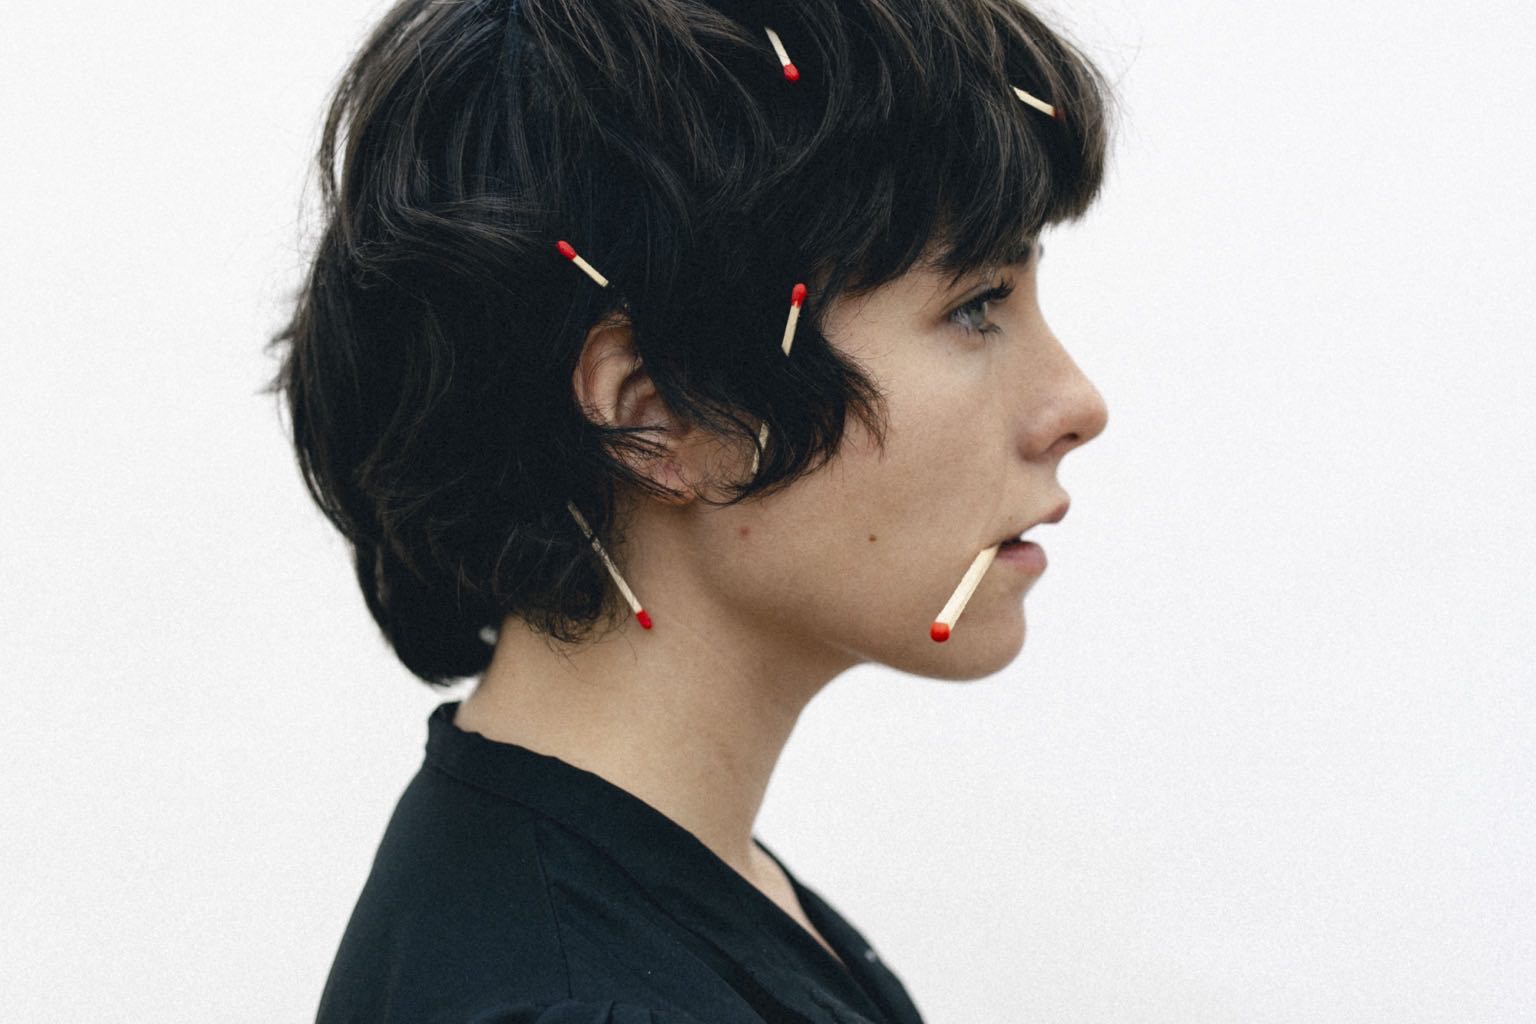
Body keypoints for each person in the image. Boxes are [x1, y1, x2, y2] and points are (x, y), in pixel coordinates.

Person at [265, 0, 1117, 1020]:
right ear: (654, 413)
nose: (1077, 405)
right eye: (975, 306)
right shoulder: (581, 1001)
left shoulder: (677, 887)